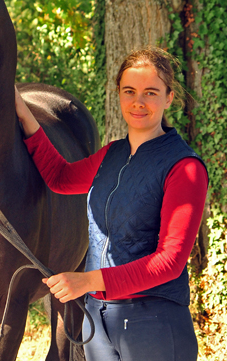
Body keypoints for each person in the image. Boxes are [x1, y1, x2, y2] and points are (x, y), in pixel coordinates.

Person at [15, 47, 208, 361]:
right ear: (118, 93)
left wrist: (87, 281)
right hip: (99, 321)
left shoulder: (184, 167)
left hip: (154, 321)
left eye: (151, 93)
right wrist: (23, 114)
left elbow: (170, 261)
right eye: (129, 91)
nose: (138, 102)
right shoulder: (112, 155)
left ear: (169, 97)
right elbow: (60, 178)